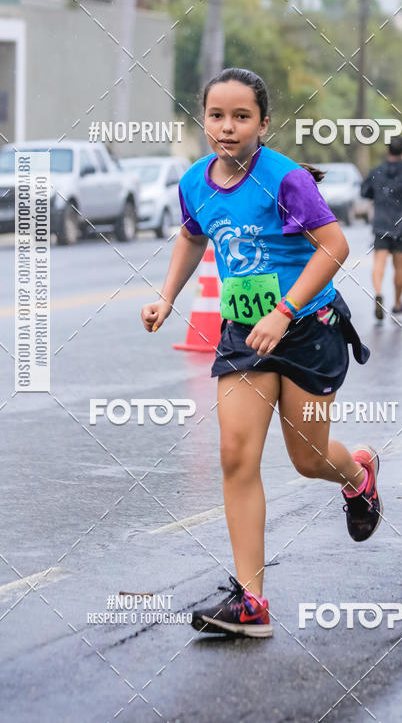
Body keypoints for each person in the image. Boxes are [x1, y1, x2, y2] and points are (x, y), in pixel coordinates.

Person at [141, 68, 380, 639]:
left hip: (309, 331)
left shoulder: (287, 179)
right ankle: (251, 602)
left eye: (241, 116)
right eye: (217, 116)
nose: (227, 127)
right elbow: (192, 235)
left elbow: (335, 245)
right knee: (235, 456)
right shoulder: (195, 180)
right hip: (243, 335)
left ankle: (358, 474)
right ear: (204, 120)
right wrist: (166, 296)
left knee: (308, 459)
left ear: (263, 123)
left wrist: (284, 312)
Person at [361, 136, 402, 320]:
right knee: (399, 266)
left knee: (379, 262)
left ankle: (378, 292)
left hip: (381, 223)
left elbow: (364, 190)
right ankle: (398, 303)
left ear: (387, 150)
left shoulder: (377, 170)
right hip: (401, 224)